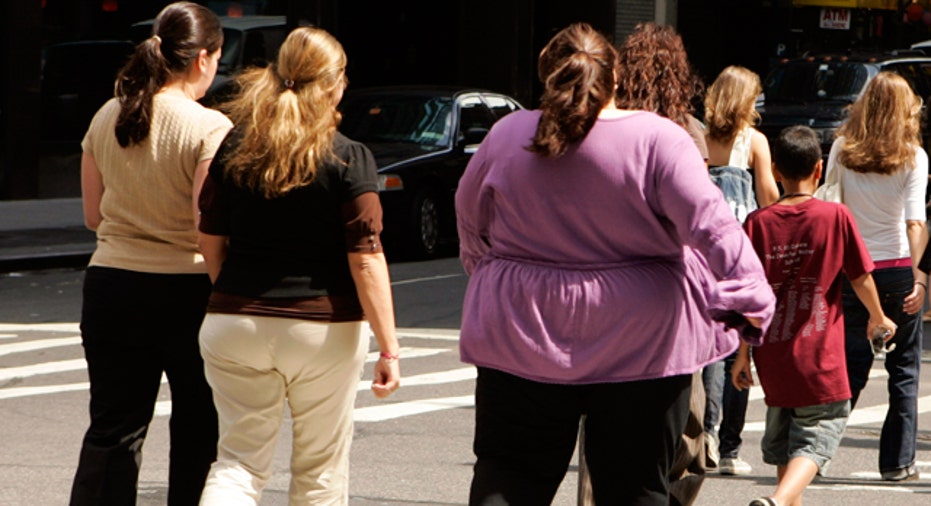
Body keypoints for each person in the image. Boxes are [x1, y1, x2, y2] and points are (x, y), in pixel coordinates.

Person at [456, 22, 775, 505]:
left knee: (508, 478)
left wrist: (487, 270)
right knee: (634, 489)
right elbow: (710, 222)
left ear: (549, 77)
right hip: (641, 340)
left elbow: (469, 213)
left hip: (522, 330)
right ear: (616, 78)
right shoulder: (657, 139)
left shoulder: (508, 134)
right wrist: (749, 291)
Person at [196, 26, 401, 505]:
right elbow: (366, 259)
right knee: (319, 472)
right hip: (322, 329)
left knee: (237, 464)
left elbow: (209, 240)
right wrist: (389, 348)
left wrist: (232, 293)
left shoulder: (236, 146)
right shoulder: (349, 156)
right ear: (335, 84)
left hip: (233, 321)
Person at [70, 3, 232, 505]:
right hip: (186, 289)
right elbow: (209, 228)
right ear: (203, 58)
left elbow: (94, 216)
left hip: (111, 284)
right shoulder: (209, 127)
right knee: (198, 427)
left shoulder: (106, 113)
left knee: (113, 429)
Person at [577, 21, 709, 506]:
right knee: (676, 433)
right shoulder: (688, 135)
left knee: (603, 435)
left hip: (598, 300)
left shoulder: (594, 128)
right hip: (667, 304)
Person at [735, 125, 896, 506]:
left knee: (788, 450)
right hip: (819, 356)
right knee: (814, 441)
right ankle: (775, 502)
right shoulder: (834, 216)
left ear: (776, 171)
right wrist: (879, 317)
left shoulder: (757, 222)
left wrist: (742, 354)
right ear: (820, 169)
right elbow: (860, 277)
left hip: (772, 354)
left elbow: (748, 296)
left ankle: (783, 501)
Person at [829, 71, 928, 482]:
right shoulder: (913, 156)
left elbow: (831, 204)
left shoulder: (840, 147)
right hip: (898, 270)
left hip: (853, 270)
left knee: (847, 368)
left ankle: (815, 454)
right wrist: (921, 279)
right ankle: (897, 462)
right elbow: (915, 223)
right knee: (904, 370)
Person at [701, 64, 781, 476]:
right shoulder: (754, 141)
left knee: (708, 348)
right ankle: (730, 448)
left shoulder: (698, 135)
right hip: (741, 248)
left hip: (702, 248)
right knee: (737, 343)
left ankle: (705, 432)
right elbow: (767, 197)